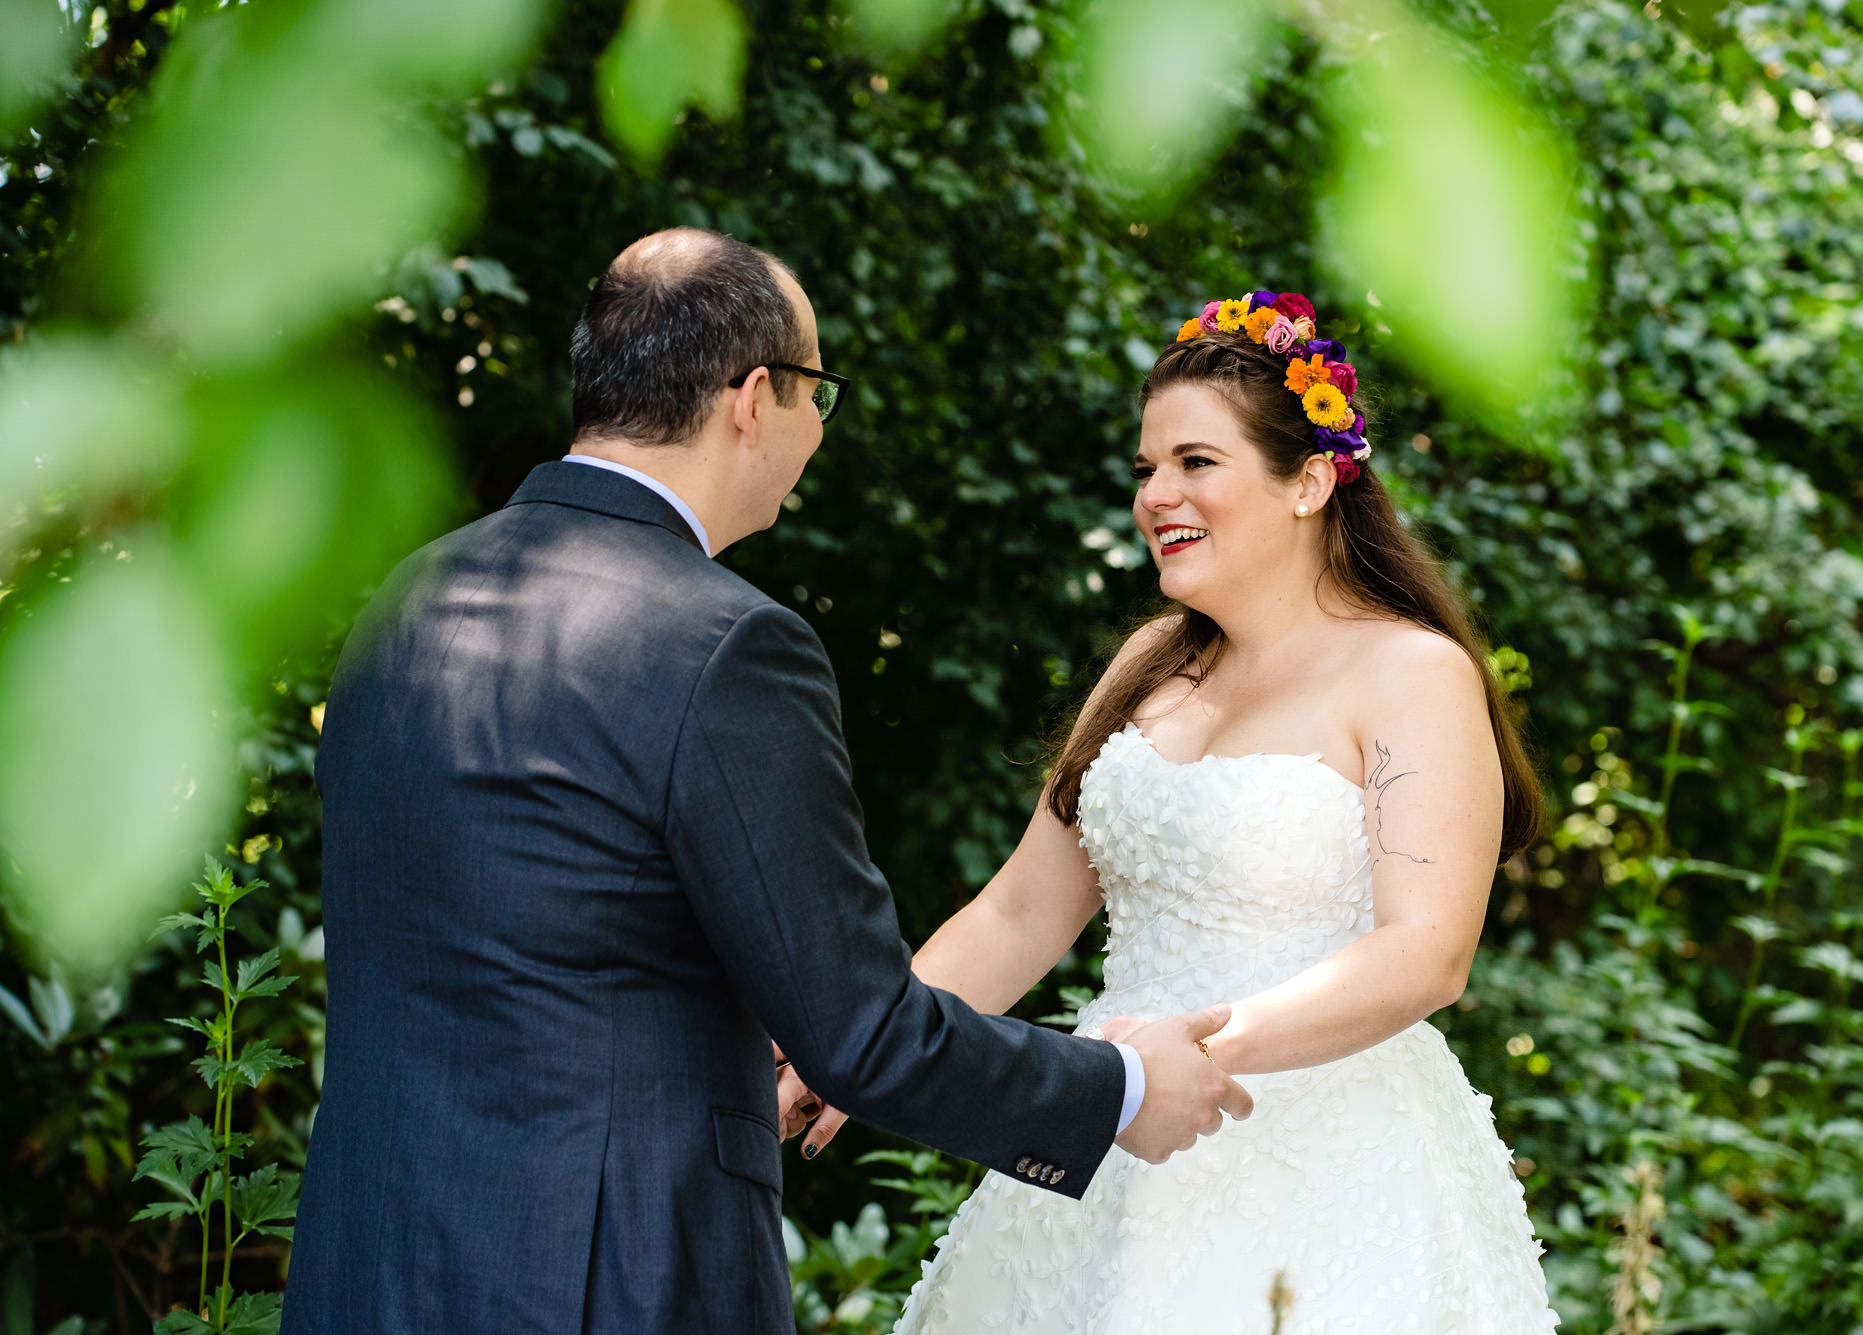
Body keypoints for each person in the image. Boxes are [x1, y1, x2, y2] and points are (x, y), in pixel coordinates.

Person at [280, 229, 1253, 1335]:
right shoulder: (722, 644)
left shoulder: (402, 604)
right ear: (753, 397)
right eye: (815, 396)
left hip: (368, 1268)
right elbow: (861, 1036)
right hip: (608, 1281)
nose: (813, 436)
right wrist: (1116, 1091)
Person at [781, 290, 1562, 1332]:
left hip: (1324, 1158)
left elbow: (1425, 954)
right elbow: (1020, 913)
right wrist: (858, 1044)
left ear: (1310, 483)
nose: (1155, 494)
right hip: (1107, 1133)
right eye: (1145, 469)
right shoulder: (1150, 666)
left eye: (1195, 462)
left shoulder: (1410, 673)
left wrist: (1190, 1051)